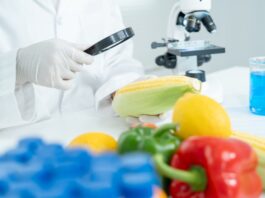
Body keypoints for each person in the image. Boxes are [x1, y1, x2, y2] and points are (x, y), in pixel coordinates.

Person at [0, 0, 164, 129]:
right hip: (14, 147)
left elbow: (116, 59)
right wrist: (16, 67)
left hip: (93, 137)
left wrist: (126, 87)